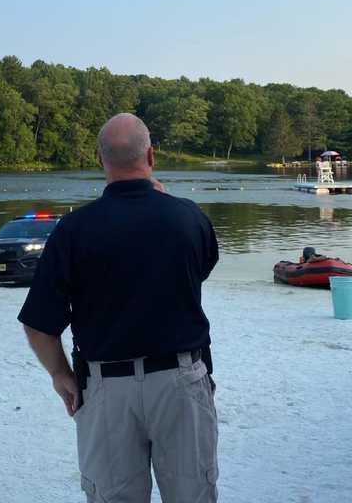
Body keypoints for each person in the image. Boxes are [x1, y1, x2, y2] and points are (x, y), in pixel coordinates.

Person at [18, 113, 219, 502]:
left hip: (106, 387)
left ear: (100, 159)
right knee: (193, 494)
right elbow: (199, 273)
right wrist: (163, 202)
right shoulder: (189, 218)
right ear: (152, 156)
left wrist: (60, 374)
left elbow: (39, 325)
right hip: (180, 381)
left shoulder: (73, 230)